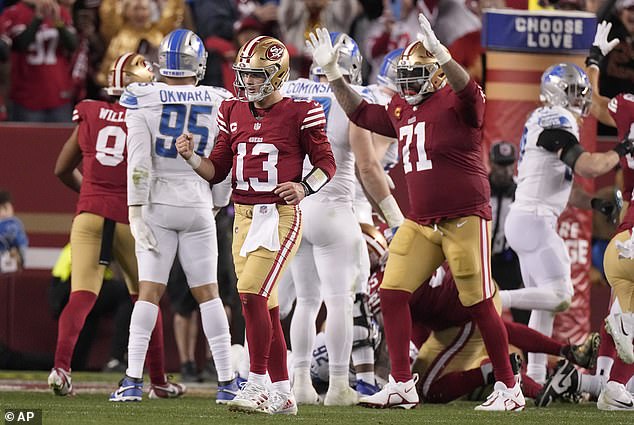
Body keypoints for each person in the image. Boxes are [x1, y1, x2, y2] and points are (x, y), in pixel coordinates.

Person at [307, 15, 523, 410]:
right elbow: (361, 114)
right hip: (421, 223)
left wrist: (444, 56)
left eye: (417, 74)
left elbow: (472, 94)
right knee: (391, 293)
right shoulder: (401, 106)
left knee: (479, 303)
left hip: (463, 218)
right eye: (403, 75)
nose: (407, 84)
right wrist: (334, 74)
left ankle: (510, 388)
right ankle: (402, 384)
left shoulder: (458, 102)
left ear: (438, 74)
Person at [176, 35, 336, 415]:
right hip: (243, 217)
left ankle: (258, 383)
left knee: (250, 293)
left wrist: (303, 186)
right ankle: (284, 394)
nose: (247, 81)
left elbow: (327, 163)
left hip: (280, 216)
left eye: (256, 74)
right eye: (244, 74)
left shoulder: (302, 110)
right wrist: (191, 158)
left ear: (277, 75)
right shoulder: (231, 110)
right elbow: (216, 171)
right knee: (264, 307)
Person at [109, 29, 237, 404]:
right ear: (198, 65)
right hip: (199, 201)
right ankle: (227, 381)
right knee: (210, 293)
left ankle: (132, 381)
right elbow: (224, 161)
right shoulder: (219, 99)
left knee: (149, 292)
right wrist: (216, 201)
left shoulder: (142, 96)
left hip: (157, 202)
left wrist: (135, 210)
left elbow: (138, 162)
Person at [51, 51, 185, 400]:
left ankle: (61, 369)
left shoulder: (91, 111)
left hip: (90, 214)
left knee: (81, 296)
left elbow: (61, 169)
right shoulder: (148, 115)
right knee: (148, 298)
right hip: (131, 217)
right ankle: (158, 381)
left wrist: (92, 195)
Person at [280, 31, 402, 406]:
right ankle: (337, 386)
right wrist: (395, 216)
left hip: (296, 208)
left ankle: (299, 383)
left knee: (305, 301)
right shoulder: (353, 100)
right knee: (338, 300)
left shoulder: (289, 92)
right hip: (334, 207)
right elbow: (367, 167)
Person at [501, 62, 634, 386]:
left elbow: (566, 186)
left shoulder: (548, 123)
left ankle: (533, 376)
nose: (580, 98)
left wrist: (593, 203)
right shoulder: (553, 121)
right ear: (556, 91)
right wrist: (624, 147)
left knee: (544, 305)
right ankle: (493, 299)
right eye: (574, 91)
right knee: (561, 295)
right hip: (533, 221)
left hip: (527, 219)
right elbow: (591, 166)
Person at [584, 20, 634, 409]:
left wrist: (595, 58)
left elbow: (592, 100)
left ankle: (608, 385)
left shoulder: (629, 105)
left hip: (625, 232)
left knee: (623, 307)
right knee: (624, 316)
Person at [1, 0, 77, 122]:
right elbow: (21, 45)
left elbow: (73, 45)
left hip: (58, 95)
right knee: (28, 141)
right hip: (26, 98)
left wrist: (57, 21)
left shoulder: (59, 11)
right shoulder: (13, 13)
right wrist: (38, 18)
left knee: (62, 140)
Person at [487, 142, 527, 325]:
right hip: (484, 260)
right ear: (491, 163)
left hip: (510, 261)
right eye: (501, 164)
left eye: (510, 164)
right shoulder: (480, 188)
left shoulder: (523, 191)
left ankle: (529, 353)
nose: (506, 170)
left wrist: (527, 272)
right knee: (477, 313)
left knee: (524, 312)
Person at [0, 189, 27, 273]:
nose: (3, 212)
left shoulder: (15, 224)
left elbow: (21, 245)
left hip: (9, 269)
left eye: (6, 208)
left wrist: (17, 254)